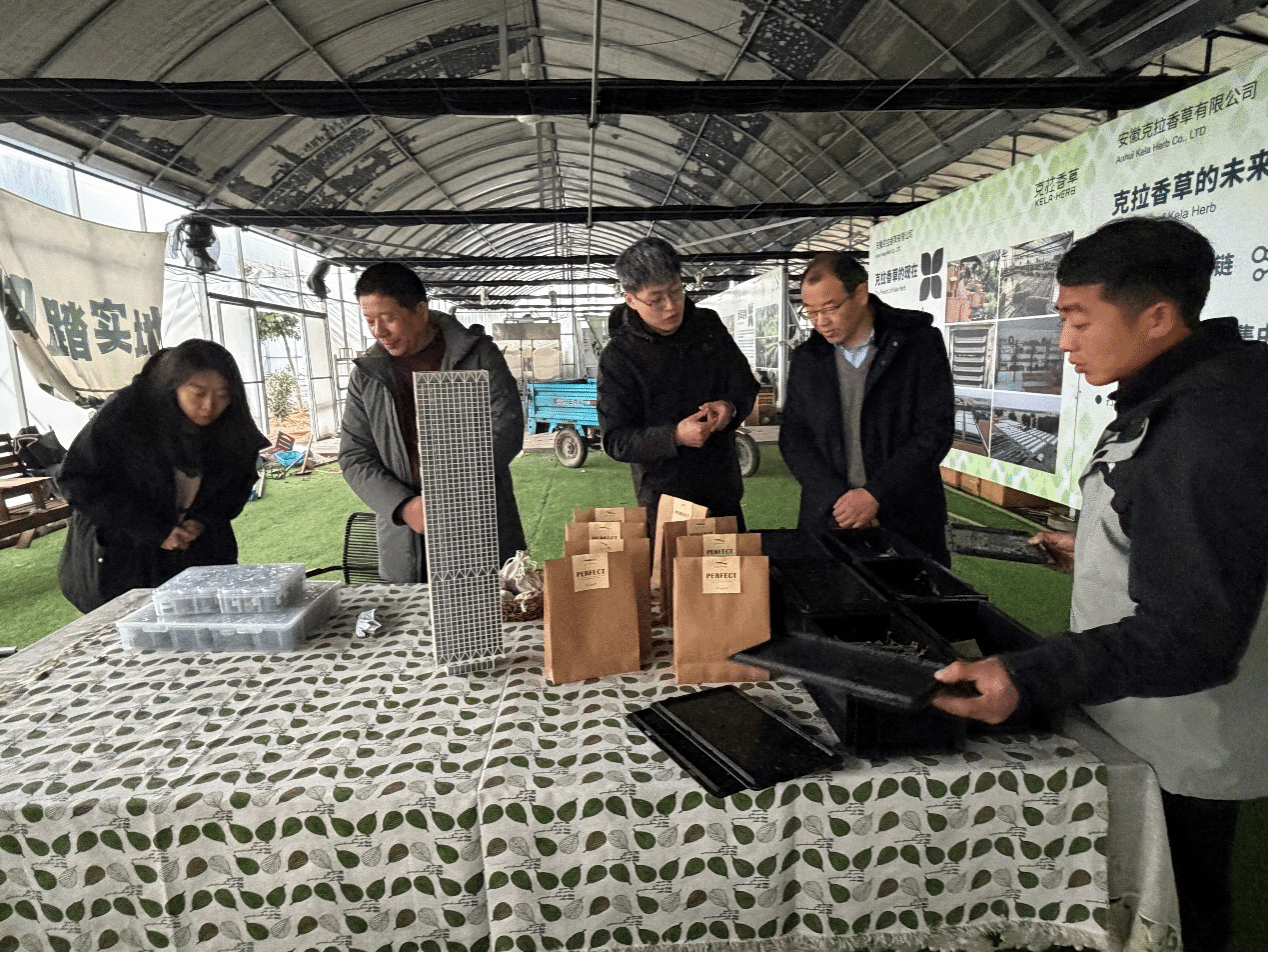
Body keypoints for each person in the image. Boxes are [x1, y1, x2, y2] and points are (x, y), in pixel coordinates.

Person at [934, 217, 1268, 952]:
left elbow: (1195, 633)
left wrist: (1027, 673)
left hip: (1183, 728)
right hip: (1148, 712)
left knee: (1181, 903)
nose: (1064, 341)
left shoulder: (1206, 424)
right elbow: (1190, 539)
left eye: (1079, 319)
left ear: (1157, 317)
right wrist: (1096, 548)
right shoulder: (1182, 392)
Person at [339, 262, 525, 583]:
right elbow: (354, 455)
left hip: (476, 517)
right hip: (406, 532)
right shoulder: (367, 375)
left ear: (421, 311)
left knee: (485, 604)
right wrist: (404, 506)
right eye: (369, 321)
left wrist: (448, 494)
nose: (379, 331)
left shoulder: (476, 356)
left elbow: (505, 430)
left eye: (388, 318)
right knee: (410, 609)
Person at [57, 339, 268, 612]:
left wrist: (204, 520)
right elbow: (78, 480)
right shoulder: (128, 413)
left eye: (223, 395)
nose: (209, 406)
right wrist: (155, 531)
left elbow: (237, 483)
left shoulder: (230, 426)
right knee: (137, 624)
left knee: (210, 621)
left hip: (200, 554)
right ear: (174, 386)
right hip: (126, 557)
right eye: (198, 393)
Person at [779, 251, 954, 562]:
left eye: (830, 308)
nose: (821, 322)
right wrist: (839, 501)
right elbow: (794, 437)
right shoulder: (808, 358)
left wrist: (875, 495)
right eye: (811, 312)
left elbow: (934, 431)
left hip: (907, 514)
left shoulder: (917, 344)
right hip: (830, 516)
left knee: (915, 591)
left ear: (860, 294)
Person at [597, 237, 759, 532]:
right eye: (656, 299)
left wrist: (730, 407)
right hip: (665, 496)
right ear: (630, 299)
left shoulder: (708, 326)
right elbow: (616, 440)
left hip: (722, 486)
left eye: (676, 291)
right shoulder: (619, 356)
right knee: (675, 562)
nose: (671, 307)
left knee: (731, 559)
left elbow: (744, 384)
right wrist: (674, 436)